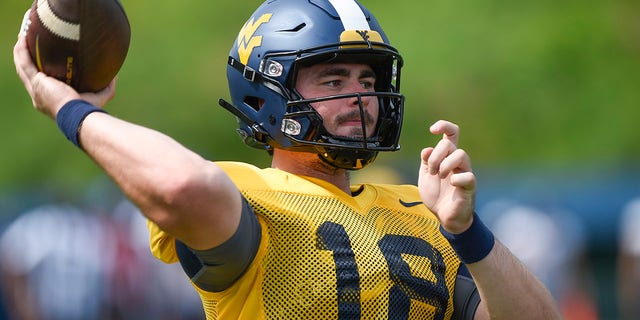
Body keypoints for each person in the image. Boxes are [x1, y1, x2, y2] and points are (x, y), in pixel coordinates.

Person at [14, 0, 560, 318]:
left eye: (367, 80)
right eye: (333, 78)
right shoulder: (251, 195)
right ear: (267, 93)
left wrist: (466, 231)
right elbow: (183, 187)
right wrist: (71, 109)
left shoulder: (425, 210)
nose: (360, 96)